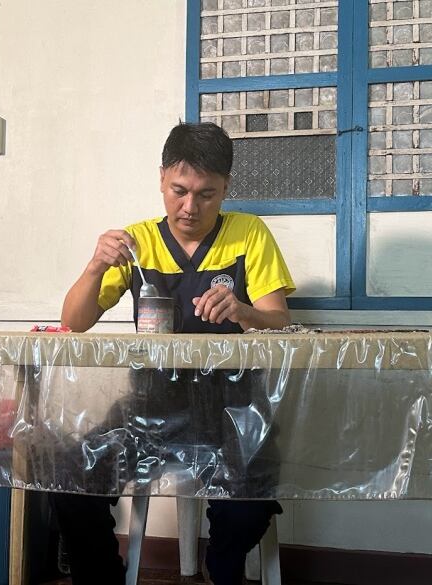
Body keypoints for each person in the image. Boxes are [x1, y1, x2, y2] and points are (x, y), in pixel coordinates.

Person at [56, 122, 295, 585]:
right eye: (179, 191)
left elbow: (279, 320)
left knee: (254, 496)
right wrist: (93, 267)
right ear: (161, 177)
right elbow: (75, 321)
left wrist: (244, 310)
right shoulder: (137, 241)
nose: (190, 208)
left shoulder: (249, 234)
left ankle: (222, 569)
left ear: (226, 187)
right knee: (70, 476)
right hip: (150, 404)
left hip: (233, 405)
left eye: (207, 194)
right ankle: (105, 575)